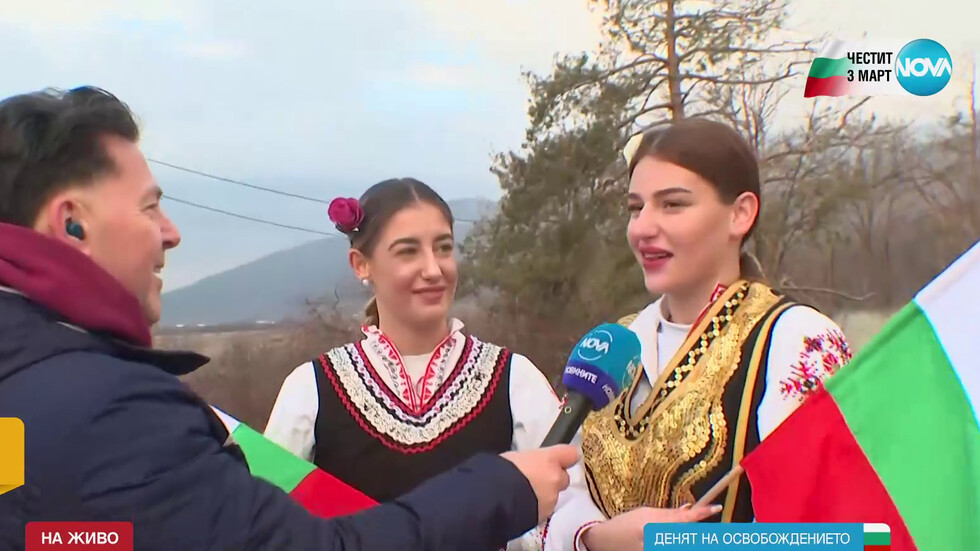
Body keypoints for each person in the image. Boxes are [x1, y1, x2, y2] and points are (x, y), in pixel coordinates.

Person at [0, 86, 580, 551]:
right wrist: (499, 489)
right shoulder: (126, 411)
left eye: (444, 247)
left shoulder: (512, 377)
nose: (171, 232)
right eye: (151, 207)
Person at [543, 118, 855, 551]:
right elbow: (558, 490)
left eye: (672, 204)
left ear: (740, 213)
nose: (642, 228)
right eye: (635, 208)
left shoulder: (794, 340)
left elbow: (828, 529)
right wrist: (594, 537)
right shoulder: (616, 345)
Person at [263, 177, 565, 551]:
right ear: (361, 264)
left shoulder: (514, 380)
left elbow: (567, 513)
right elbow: (266, 526)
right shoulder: (312, 390)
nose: (433, 269)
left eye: (444, 248)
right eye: (408, 252)